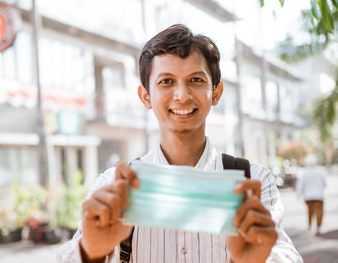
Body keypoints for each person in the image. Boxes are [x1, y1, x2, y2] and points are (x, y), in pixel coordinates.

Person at [57, 24, 302, 263]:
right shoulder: (112, 188)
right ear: (146, 97)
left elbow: (286, 255)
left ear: (215, 93)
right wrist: (91, 252)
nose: (182, 95)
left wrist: (261, 259)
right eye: (166, 81)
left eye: (196, 80)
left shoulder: (254, 181)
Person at [296, 153, 326, 235]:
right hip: (319, 196)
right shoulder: (320, 171)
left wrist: (298, 194)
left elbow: (300, 185)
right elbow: (324, 183)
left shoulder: (304, 172)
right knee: (319, 212)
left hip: (308, 196)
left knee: (310, 211)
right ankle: (318, 227)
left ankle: (309, 225)